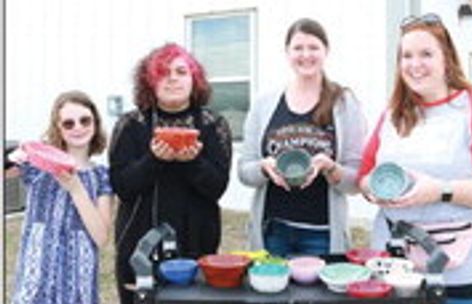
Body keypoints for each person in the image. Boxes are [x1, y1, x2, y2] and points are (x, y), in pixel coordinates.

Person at [357, 13, 472, 304]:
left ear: (447, 58)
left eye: (426, 54)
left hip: (468, 276)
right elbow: (364, 176)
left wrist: (441, 190)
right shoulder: (392, 115)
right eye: (406, 56)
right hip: (398, 272)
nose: (414, 64)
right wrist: (375, 187)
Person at [109, 43, 232, 303]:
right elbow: (122, 186)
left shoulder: (213, 124)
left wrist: (192, 161)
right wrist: (154, 159)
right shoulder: (131, 125)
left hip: (196, 236)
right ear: (149, 82)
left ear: (194, 79)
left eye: (181, 71)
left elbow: (217, 187)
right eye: (163, 72)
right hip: (140, 239)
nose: (173, 78)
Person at [238, 18, 367, 257]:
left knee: (319, 295)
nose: (305, 55)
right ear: (287, 52)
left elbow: (356, 181)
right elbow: (244, 172)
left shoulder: (344, 103)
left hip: (323, 234)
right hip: (273, 230)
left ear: (326, 51)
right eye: (298, 48)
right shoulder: (264, 103)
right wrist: (264, 168)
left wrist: (329, 167)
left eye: (313, 47)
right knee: (270, 292)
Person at [7, 90, 113, 304]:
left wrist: (76, 189)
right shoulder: (39, 164)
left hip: (78, 275)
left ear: (95, 123)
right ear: (58, 128)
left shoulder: (101, 175)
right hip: (37, 270)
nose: (78, 128)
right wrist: (10, 157)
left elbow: (101, 237)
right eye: (68, 123)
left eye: (85, 120)